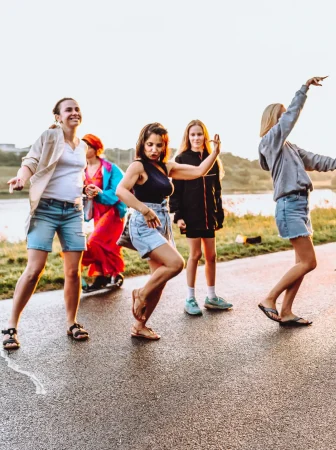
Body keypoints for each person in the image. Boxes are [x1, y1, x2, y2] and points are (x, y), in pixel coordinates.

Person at [2, 98, 101, 350]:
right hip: (46, 209)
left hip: (73, 211)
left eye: (77, 108)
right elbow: (31, 161)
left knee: (72, 272)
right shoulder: (49, 136)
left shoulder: (83, 145)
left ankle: (72, 322)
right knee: (35, 269)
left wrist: (85, 187)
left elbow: (77, 173)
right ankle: (11, 326)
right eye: (68, 109)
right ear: (58, 116)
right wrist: (21, 178)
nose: (74, 112)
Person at [257, 76, 336, 326]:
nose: (286, 118)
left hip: (300, 206)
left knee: (301, 263)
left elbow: (315, 159)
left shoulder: (289, 147)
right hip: (289, 206)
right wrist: (304, 90)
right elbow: (291, 117)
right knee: (309, 262)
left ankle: (287, 311)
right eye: (282, 115)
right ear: (274, 120)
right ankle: (269, 299)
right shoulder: (270, 142)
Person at [116, 123, 220, 340]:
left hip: (161, 222)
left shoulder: (166, 167)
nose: (154, 149)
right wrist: (144, 210)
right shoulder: (138, 166)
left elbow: (199, 171)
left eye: (158, 145)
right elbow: (121, 191)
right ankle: (141, 293)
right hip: (143, 223)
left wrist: (216, 153)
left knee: (159, 280)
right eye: (150, 144)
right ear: (142, 144)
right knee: (176, 264)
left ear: (165, 147)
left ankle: (140, 326)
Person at [170, 120, 232, 315]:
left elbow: (217, 191)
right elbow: (175, 191)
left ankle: (212, 297)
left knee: (212, 256)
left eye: (199, 134)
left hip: (209, 216)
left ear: (205, 137)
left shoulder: (212, 159)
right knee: (195, 255)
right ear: (188, 137)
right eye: (192, 134)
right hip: (191, 215)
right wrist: (178, 215)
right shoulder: (181, 159)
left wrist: (219, 215)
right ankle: (190, 298)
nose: (196, 138)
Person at [80, 134, 128, 292]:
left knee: (94, 241)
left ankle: (108, 273)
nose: (84, 149)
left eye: (88, 146)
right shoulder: (82, 169)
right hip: (97, 212)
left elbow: (118, 192)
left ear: (96, 149)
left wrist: (99, 192)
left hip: (113, 211)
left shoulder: (109, 168)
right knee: (104, 245)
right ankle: (102, 277)